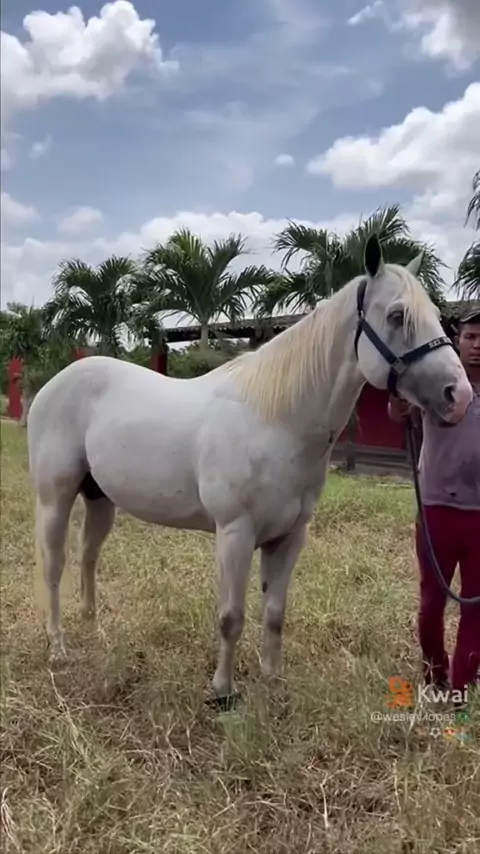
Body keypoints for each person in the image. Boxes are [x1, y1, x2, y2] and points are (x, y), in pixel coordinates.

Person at [388, 308, 480, 697]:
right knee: (431, 602)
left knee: (476, 605)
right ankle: (435, 675)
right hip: (435, 510)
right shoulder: (437, 383)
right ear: (458, 341)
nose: (477, 346)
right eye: (470, 337)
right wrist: (398, 398)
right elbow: (398, 413)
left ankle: (462, 686)